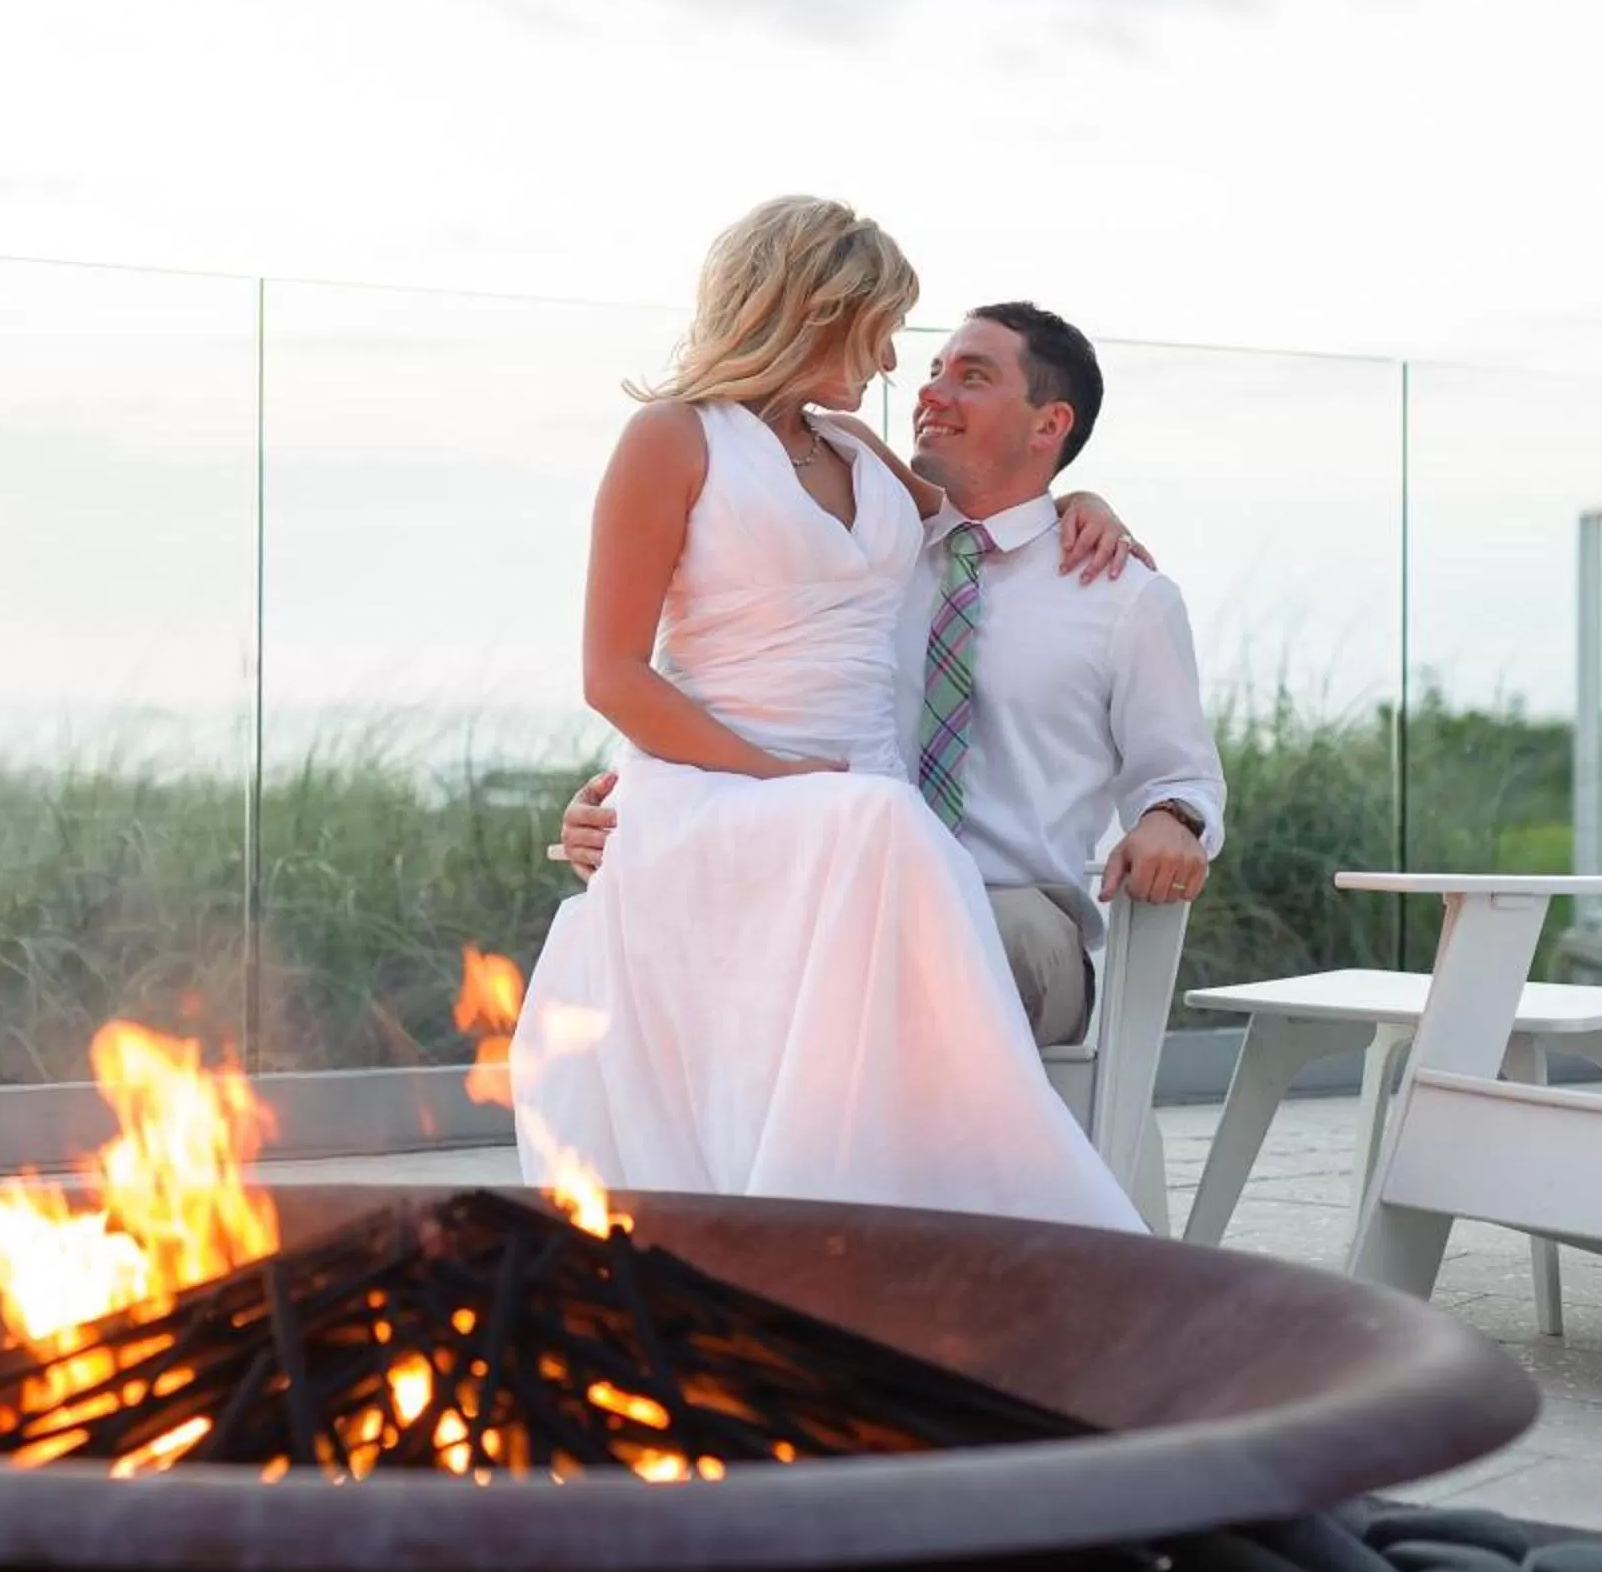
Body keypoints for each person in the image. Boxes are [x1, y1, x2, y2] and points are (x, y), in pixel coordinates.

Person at [508, 196, 1146, 1233]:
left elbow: (987, 519)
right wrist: (783, 782)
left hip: (861, 819)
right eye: (879, 329)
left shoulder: (851, 445)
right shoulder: (671, 439)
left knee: (884, 831)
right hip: (725, 803)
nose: (893, 361)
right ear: (815, 311)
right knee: (883, 823)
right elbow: (613, 675)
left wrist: (1085, 502)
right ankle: (847, 1236)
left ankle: (912, 1244)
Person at [557, 300, 1224, 1052]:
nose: (928, 390)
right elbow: (758, 689)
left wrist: (1175, 819)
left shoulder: (1122, 597)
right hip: (837, 892)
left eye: (972, 376)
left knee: (927, 960)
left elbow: (1184, 776)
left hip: (1012, 916)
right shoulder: (868, 558)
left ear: (1050, 424)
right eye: (935, 369)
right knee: (761, 956)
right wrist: (636, 801)